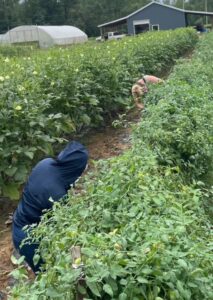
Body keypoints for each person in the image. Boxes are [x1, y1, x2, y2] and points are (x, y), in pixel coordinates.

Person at [12, 141, 88, 273]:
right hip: (27, 237)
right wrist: (78, 265)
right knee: (44, 274)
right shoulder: (57, 196)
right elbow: (71, 234)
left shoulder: (46, 163)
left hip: (20, 219)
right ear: (75, 168)